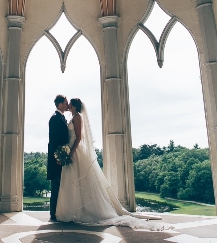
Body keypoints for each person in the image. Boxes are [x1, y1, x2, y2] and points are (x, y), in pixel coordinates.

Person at [55, 98, 171, 231]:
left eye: (69, 103)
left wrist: (71, 153)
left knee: (80, 180)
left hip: (76, 152)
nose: (68, 105)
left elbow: (79, 138)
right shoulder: (73, 117)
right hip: (72, 151)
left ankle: (83, 211)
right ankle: (74, 210)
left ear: (74, 106)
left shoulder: (77, 117)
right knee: (72, 180)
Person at [47, 94, 69, 222]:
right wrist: (58, 156)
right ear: (60, 104)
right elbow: (54, 140)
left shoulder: (61, 118)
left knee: (61, 185)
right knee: (56, 185)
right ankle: (53, 214)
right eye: (66, 103)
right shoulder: (55, 118)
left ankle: (59, 211)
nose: (67, 105)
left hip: (62, 156)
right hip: (57, 158)